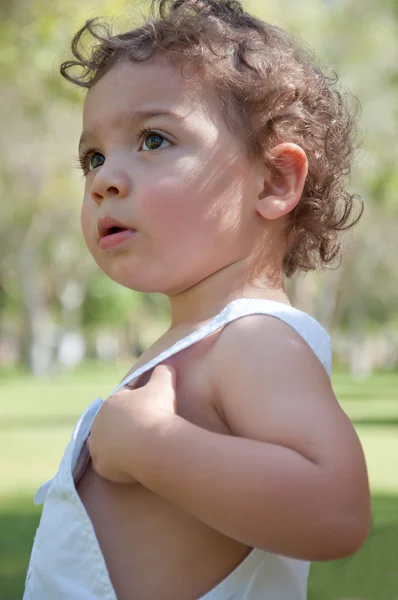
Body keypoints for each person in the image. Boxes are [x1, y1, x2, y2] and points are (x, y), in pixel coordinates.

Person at [23, 1, 371, 599]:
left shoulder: (254, 340)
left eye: (154, 139)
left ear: (273, 181)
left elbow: (335, 510)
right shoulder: (203, 340)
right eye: (93, 157)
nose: (104, 179)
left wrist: (149, 444)